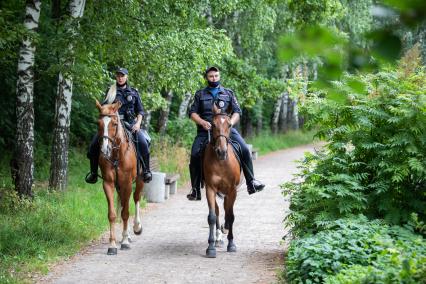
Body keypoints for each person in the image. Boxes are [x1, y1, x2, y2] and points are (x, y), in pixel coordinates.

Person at [186, 66, 265, 201]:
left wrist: (230, 123)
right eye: (211, 76)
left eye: (216, 76)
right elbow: (192, 113)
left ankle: (251, 182)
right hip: (205, 131)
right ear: (206, 78)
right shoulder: (200, 94)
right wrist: (202, 122)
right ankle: (195, 189)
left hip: (226, 130)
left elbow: (237, 111)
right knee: (194, 154)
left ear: (219, 76)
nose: (214, 78)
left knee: (245, 149)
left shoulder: (228, 93)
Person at [85, 67, 152, 184]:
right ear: (116, 77)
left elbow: (140, 111)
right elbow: (104, 108)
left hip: (130, 124)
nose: (120, 78)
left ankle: (146, 171)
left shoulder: (134, 92)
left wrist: (138, 123)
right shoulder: (110, 91)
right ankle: (93, 173)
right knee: (93, 145)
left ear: (126, 77)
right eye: (118, 76)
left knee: (143, 142)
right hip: (112, 124)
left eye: (122, 76)